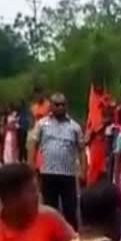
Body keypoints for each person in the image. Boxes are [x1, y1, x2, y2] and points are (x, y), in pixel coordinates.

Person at [28, 93, 86, 230]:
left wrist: (83, 170)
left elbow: (82, 150)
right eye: (56, 104)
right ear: (51, 106)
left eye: (63, 104)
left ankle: (72, 239)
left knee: (70, 210)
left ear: (67, 106)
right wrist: (30, 165)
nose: (60, 107)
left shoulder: (74, 127)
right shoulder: (42, 124)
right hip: (48, 173)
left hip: (68, 175)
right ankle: (51, 237)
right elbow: (33, 144)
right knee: (49, 210)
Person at [85, 83, 114, 186]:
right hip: (96, 140)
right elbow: (92, 122)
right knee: (94, 167)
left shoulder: (107, 99)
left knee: (106, 167)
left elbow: (111, 117)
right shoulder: (93, 101)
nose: (99, 86)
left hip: (107, 138)